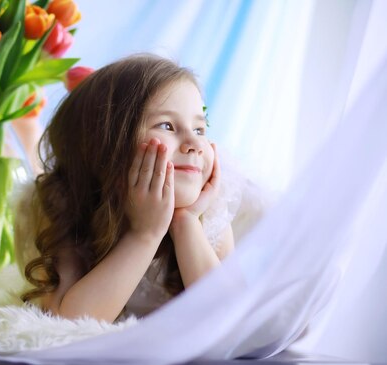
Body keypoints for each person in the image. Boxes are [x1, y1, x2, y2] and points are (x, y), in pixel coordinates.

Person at [14, 54, 238, 323]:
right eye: (167, 126)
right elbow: (67, 322)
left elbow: (228, 319)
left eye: (200, 129)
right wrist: (145, 233)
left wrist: (185, 222)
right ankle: (25, 130)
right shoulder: (64, 203)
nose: (195, 143)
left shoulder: (211, 209)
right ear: (106, 148)